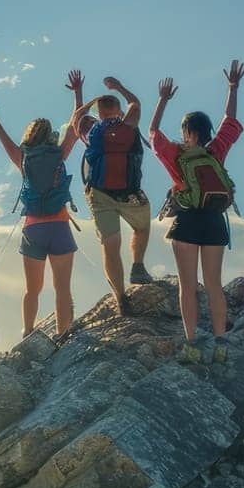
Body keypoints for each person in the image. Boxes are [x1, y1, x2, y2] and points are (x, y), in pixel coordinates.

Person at [148, 60, 244, 363]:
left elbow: (152, 132)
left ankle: (191, 343)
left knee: (188, 287)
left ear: (187, 131)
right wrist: (233, 88)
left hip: (188, 222)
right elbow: (231, 121)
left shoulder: (176, 155)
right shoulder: (216, 151)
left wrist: (163, 100)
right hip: (215, 223)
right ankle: (220, 343)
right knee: (214, 285)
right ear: (207, 131)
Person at [0, 89, 80, 339]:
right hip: (59, 225)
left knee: (32, 289)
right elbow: (75, 128)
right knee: (62, 287)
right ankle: (62, 333)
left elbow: (5, 141)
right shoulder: (59, 154)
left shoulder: (22, 157)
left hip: (33, 228)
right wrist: (78, 93)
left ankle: (28, 330)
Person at [72, 71, 155, 315]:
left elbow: (77, 117)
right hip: (130, 194)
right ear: (118, 111)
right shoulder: (129, 125)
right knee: (142, 227)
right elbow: (136, 104)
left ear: (98, 114)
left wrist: (89, 100)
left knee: (110, 246)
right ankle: (138, 266)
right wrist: (118, 86)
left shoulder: (91, 132)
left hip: (100, 195)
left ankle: (120, 297)